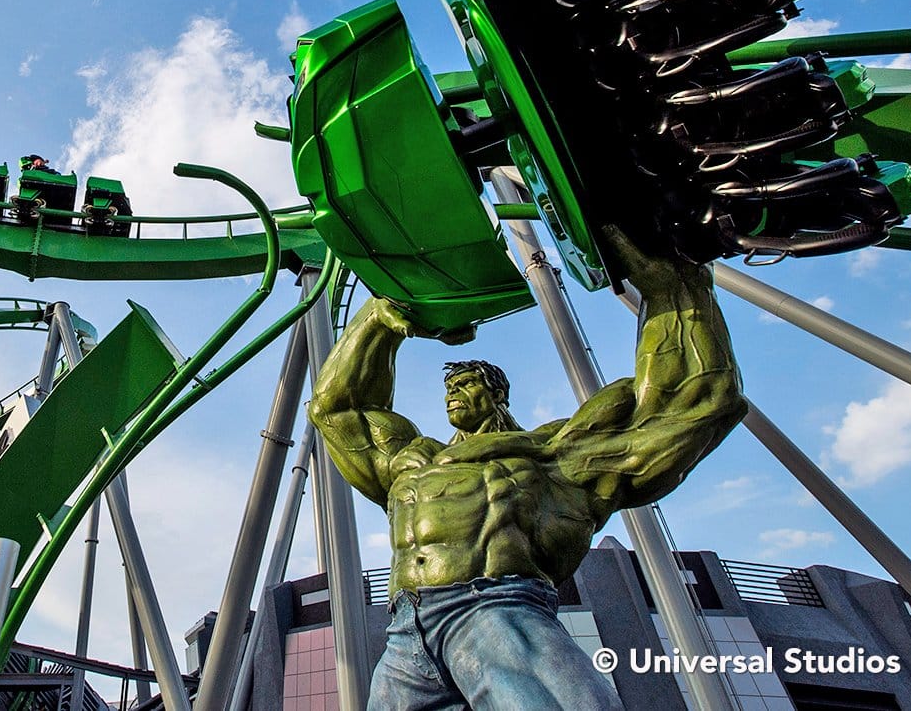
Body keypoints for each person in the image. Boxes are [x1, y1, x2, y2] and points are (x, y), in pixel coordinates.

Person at [310, 227, 745, 710]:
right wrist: (383, 317)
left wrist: (675, 289)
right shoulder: (415, 459)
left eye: (469, 383)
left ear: (497, 393)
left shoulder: (554, 454)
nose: (454, 392)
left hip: (494, 606)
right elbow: (335, 410)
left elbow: (694, 403)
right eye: (451, 386)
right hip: (404, 633)